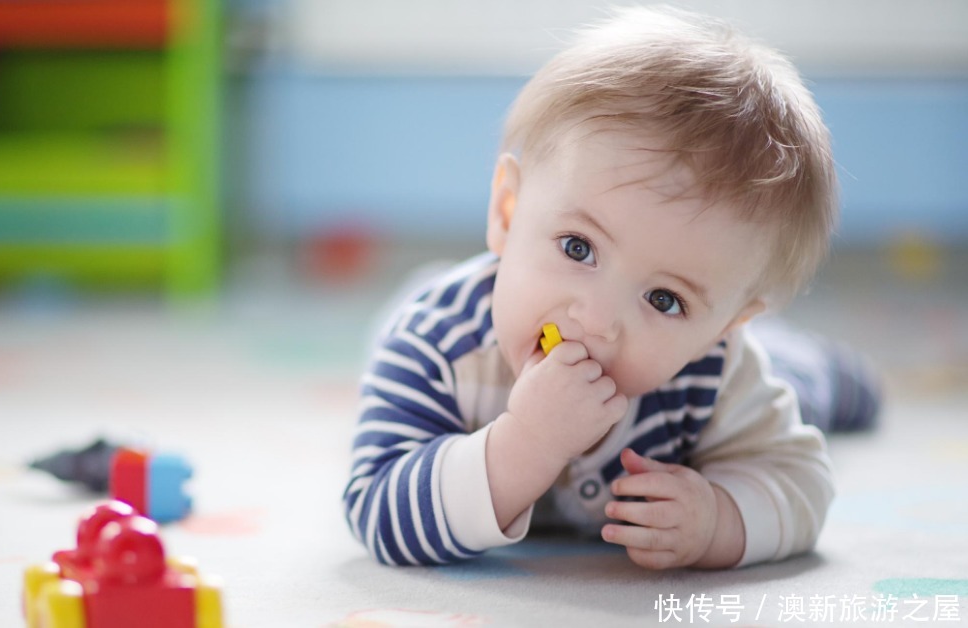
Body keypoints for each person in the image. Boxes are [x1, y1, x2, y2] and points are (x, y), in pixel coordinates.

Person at [343, 5, 881, 570]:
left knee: (799, 384)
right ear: (508, 210)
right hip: (435, 313)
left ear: (721, 328)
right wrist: (524, 445)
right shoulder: (439, 348)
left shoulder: (715, 369)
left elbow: (800, 482)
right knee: (396, 330)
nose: (598, 321)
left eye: (665, 299)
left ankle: (819, 362)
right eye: (579, 248)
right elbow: (377, 508)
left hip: (764, 358)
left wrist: (716, 518)